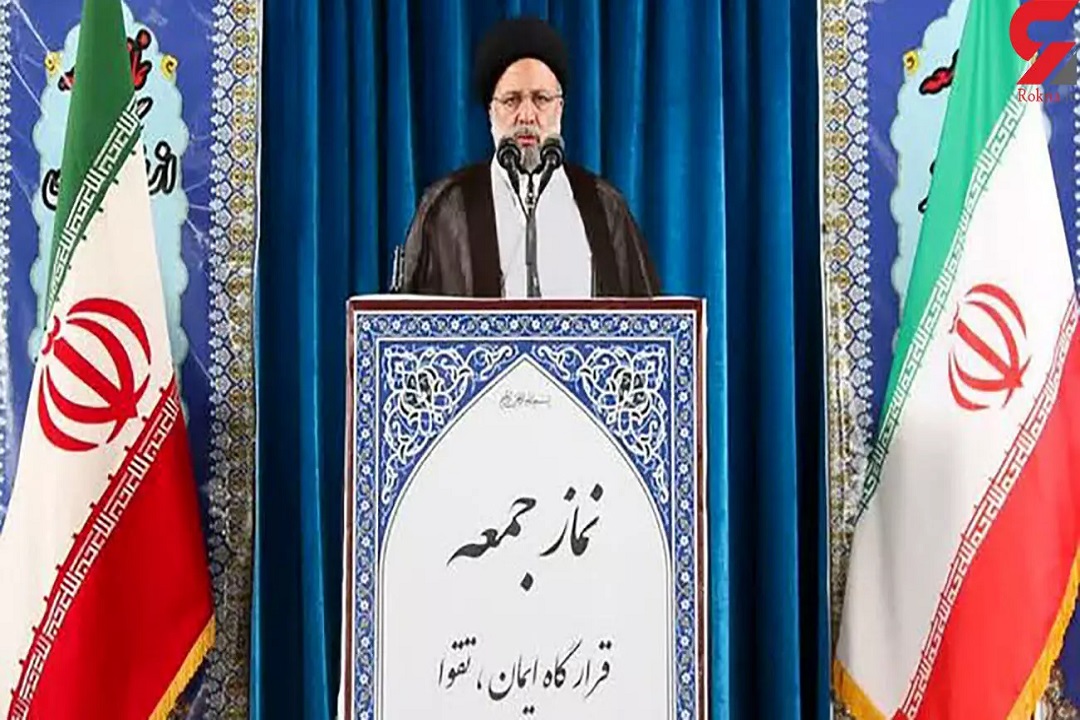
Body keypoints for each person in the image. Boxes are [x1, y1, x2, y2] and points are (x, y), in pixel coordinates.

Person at [397, 16, 660, 298]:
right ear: (490, 112)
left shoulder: (604, 207)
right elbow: (408, 316)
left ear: (560, 108)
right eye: (511, 100)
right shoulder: (447, 206)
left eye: (540, 99)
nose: (526, 116)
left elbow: (647, 315)